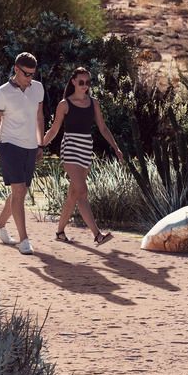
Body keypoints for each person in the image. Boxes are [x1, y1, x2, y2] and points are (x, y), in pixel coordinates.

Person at [42, 67, 125, 246]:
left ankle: (59, 232)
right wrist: (40, 145)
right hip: (70, 148)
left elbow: (103, 128)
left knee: (73, 195)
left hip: (86, 148)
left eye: (88, 82)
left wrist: (116, 147)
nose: (85, 86)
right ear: (73, 82)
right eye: (81, 82)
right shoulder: (65, 104)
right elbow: (55, 129)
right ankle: (97, 235)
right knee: (82, 191)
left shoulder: (93, 103)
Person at [0, 51, 47, 255]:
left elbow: (40, 116)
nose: (30, 78)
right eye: (26, 74)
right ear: (16, 69)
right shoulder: (2, 93)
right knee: (20, 192)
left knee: (18, 192)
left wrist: (41, 144)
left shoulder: (37, 88)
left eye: (33, 74)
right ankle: (24, 240)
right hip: (10, 145)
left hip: (31, 147)